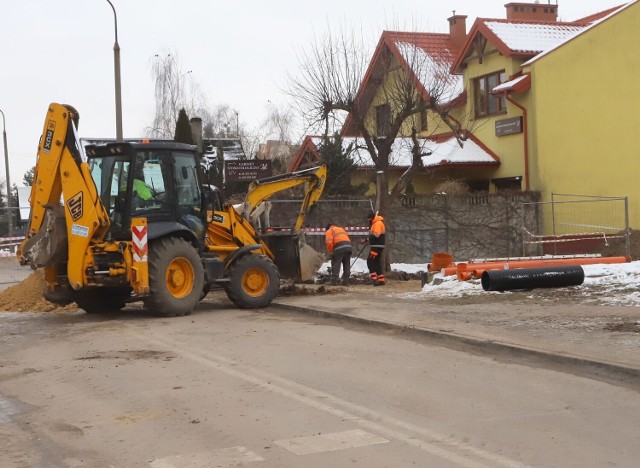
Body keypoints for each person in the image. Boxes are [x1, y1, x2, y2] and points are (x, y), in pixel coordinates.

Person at [364, 210, 386, 286]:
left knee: (370, 261)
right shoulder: (376, 223)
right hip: (377, 246)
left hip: (376, 246)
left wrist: (366, 240)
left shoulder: (377, 223)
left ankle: (374, 280)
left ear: (371, 218)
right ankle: (381, 280)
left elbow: (375, 235)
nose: (368, 221)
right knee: (376, 263)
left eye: (369, 219)